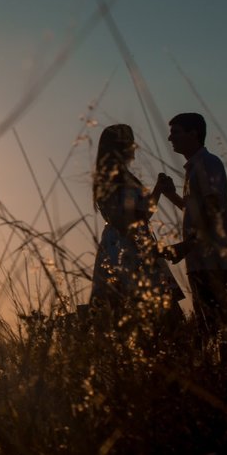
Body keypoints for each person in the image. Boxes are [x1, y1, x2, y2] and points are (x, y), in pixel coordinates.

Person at [155, 112, 227, 344]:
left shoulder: (208, 164)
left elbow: (214, 210)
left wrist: (187, 245)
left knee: (223, 331)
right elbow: (196, 212)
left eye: (176, 133)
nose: (170, 139)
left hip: (216, 262)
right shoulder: (193, 168)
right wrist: (170, 194)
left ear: (194, 134)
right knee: (207, 329)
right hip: (200, 262)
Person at [89, 124, 183, 322]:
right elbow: (125, 220)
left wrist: (158, 189)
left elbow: (140, 215)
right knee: (138, 309)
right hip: (125, 246)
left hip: (132, 243)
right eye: (129, 142)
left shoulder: (122, 177)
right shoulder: (110, 179)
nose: (134, 146)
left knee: (160, 311)